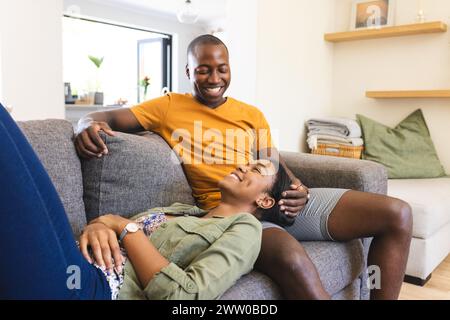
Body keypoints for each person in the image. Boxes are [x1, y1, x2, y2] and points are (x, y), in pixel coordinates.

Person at [74, 35, 413, 300]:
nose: (214, 77)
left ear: (230, 68)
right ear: (189, 71)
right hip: (234, 213)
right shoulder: (167, 106)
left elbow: (274, 166)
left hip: (272, 199)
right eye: (203, 69)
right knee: (293, 261)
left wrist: (297, 189)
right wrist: (83, 125)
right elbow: (102, 118)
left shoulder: (251, 113)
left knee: (396, 215)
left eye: (222, 68)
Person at [0, 103, 298, 299]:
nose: (244, 165)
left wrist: (125, 228)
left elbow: (183, 298)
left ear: (265, 201)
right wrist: (99, 224)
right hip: (71, 254)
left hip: (87, 287)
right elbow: (111, 226)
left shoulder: (245, 229)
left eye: (256, 169)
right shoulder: (185, 212)